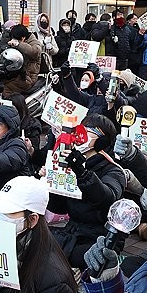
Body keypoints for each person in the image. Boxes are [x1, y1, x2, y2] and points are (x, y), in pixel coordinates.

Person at [47, 114, 126, 268]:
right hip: (72, 231)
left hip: (100, 237)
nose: (80, 136)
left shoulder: (114, 171)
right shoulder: (73, 163)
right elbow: (59, 208)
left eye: (88, 132)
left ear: (101, 141)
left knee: (66, 257)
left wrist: (82, 173)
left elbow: (107, 199)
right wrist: (51, 181)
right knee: (36, 242)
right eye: (79, 130)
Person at [3, 24, 42, 97]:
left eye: (16, 39)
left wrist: (19, 44)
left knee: (7, 88)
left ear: (23, 37)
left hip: (28, 77)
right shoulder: (17, 41)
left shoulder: (34, 42)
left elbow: (34, 52)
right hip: (17, 74)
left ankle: (11, 106)